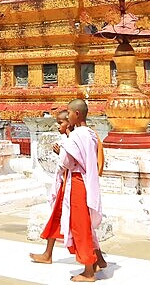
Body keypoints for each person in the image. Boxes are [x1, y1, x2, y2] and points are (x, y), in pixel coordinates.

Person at [56, 99, 106, 281]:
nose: (67, 116)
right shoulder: (91, 134)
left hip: (77, 182)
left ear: (76, 114)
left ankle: (88, 270)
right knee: (84, 222)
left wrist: (63, 147)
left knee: (80, 225)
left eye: (68, 112)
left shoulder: (76, 136)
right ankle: (95, 260)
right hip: (88, 180)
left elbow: (67, 162)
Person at [30, 109, 70, 264]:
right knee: (56, 218)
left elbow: (76, 163)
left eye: (60, 122)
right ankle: (47, 254)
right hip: (64, 184)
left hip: (72, 185)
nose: (57, 125)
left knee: (81, 224)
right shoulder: (66, 139)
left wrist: (63, 155)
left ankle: (96, 259)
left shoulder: (78, 139)